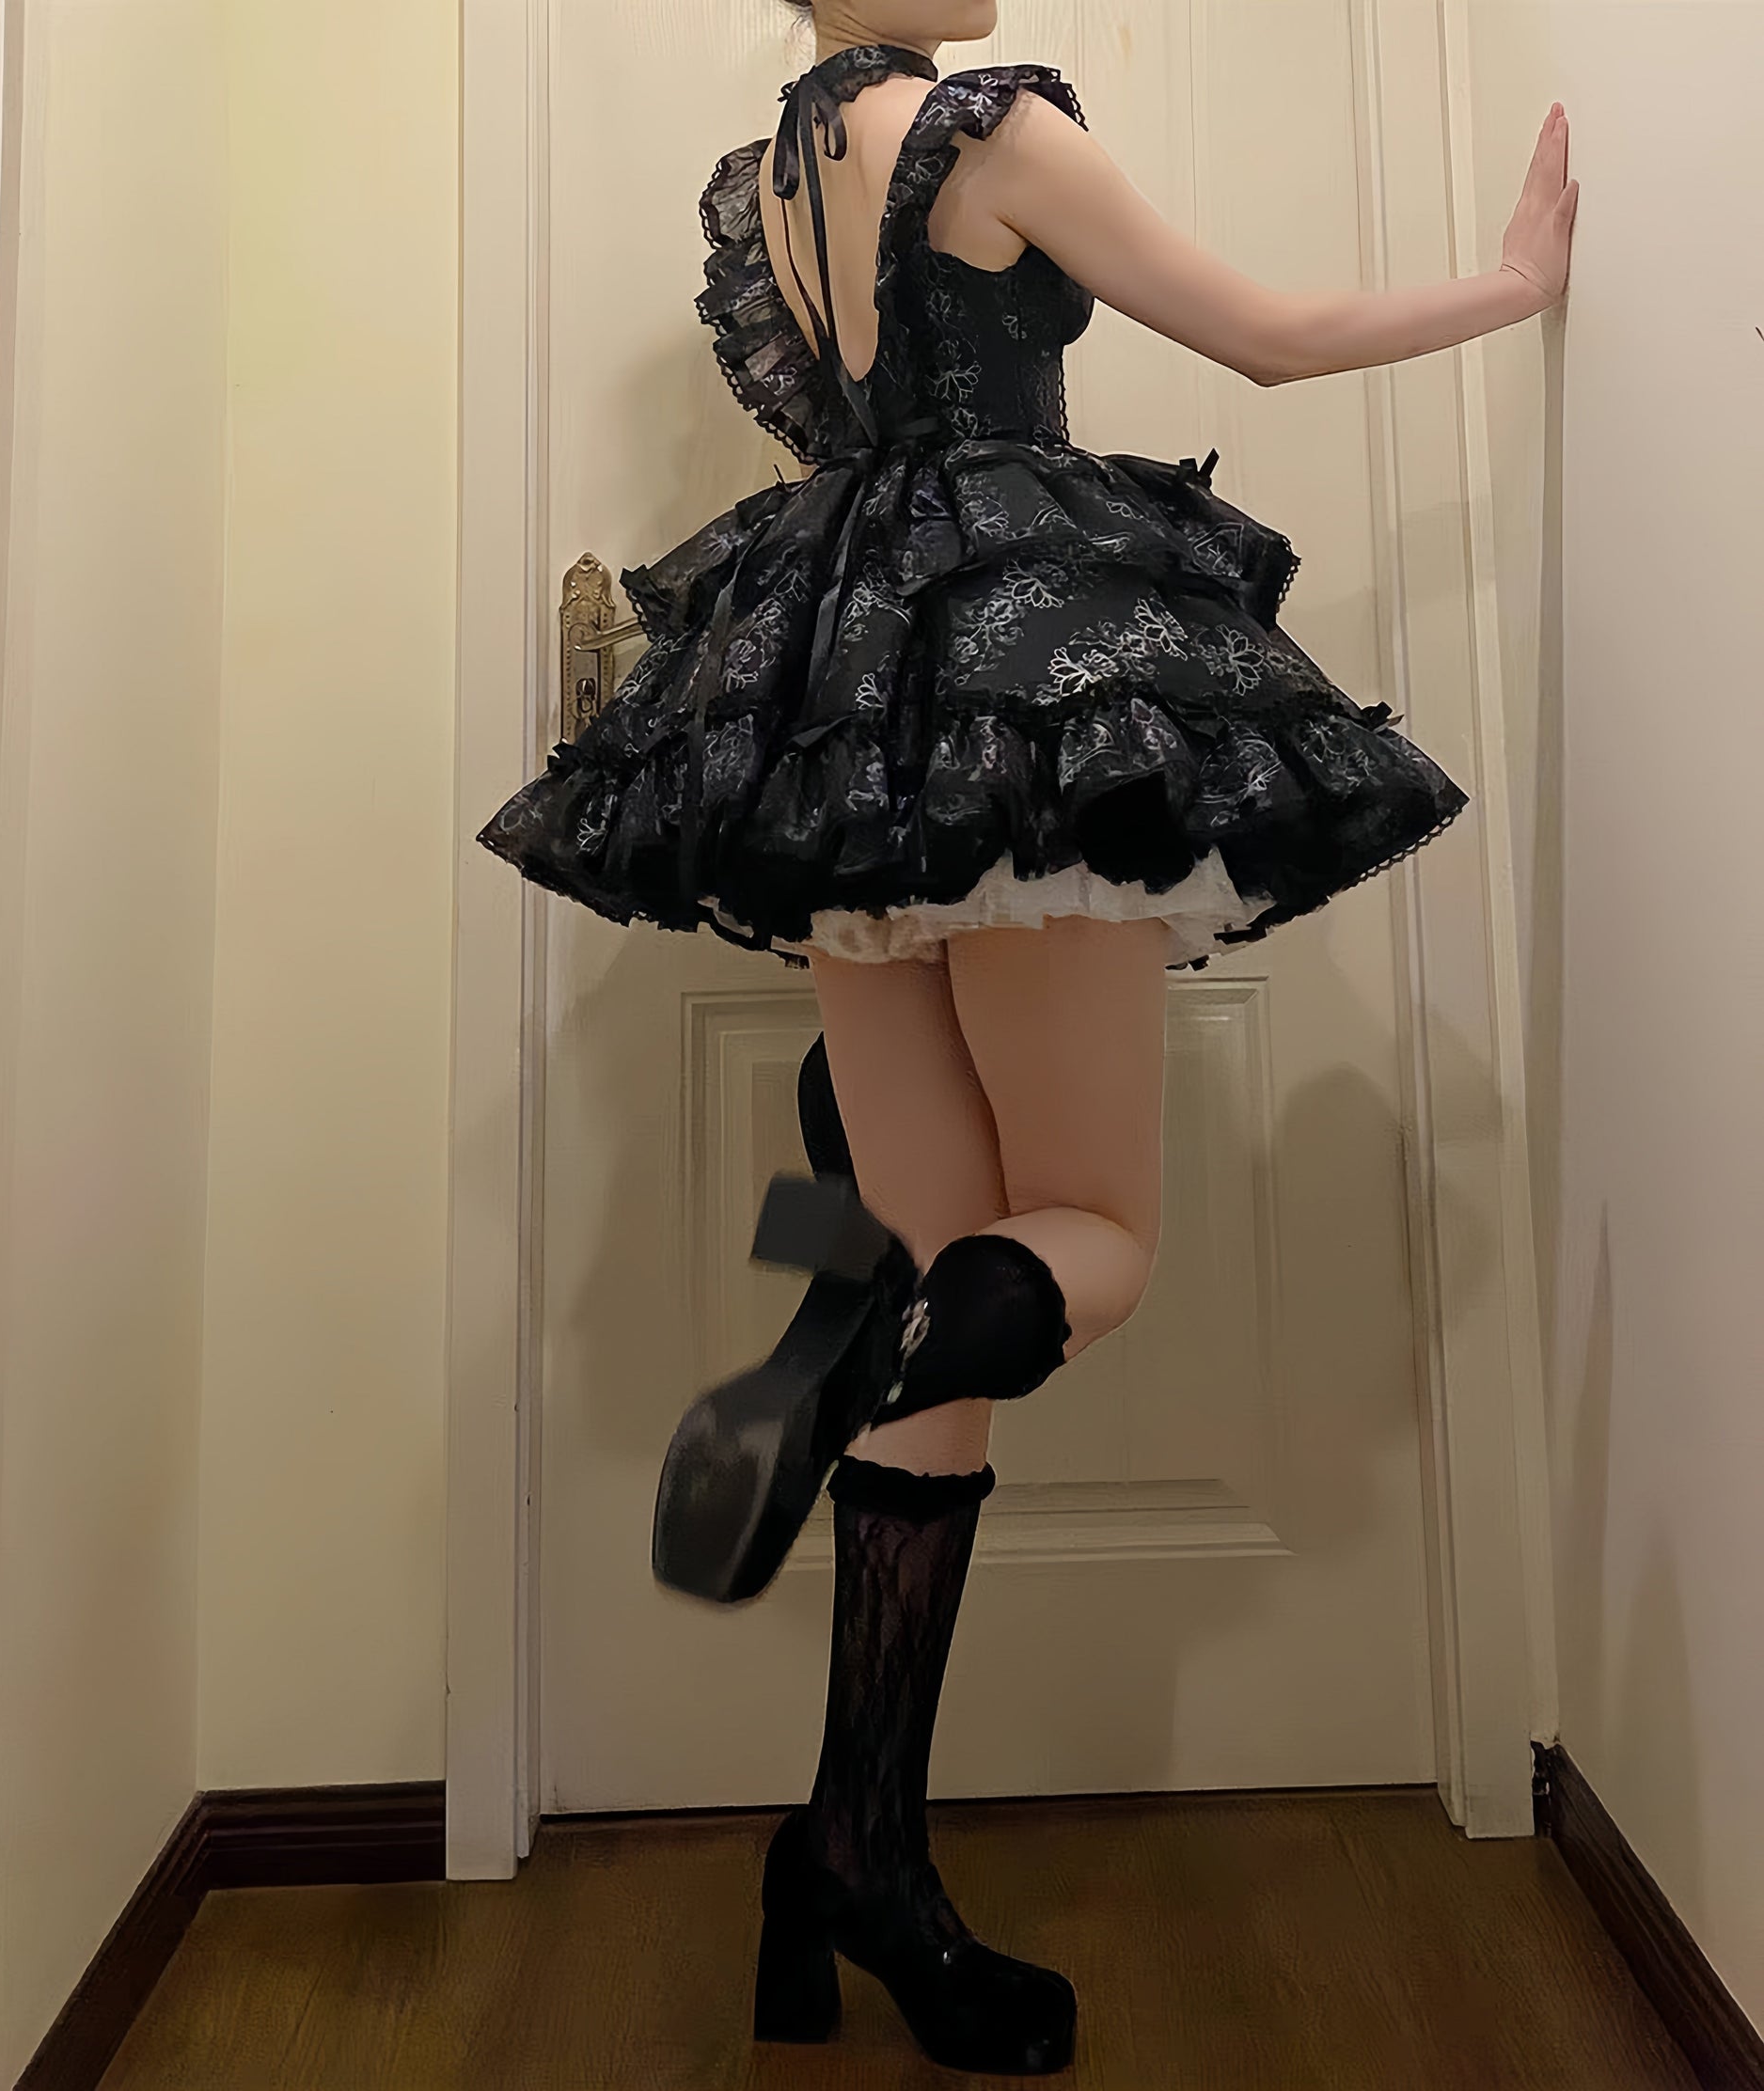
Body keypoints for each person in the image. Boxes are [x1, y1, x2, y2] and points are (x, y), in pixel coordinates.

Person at [477, 4, 1576, 2073]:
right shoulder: (986, 125)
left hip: (838, 704)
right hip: (1019, 685)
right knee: (1092, 1236)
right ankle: (861, 1345)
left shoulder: (778, 169)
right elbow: (1265, 337)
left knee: (952, 1299)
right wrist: (1510, 285)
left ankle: (853, 1843)